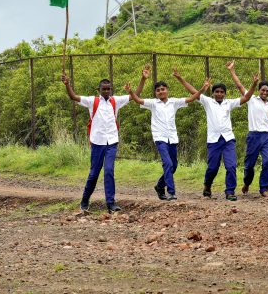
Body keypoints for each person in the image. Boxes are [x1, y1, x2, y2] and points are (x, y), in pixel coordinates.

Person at [61, 71, 144, 213]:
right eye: (103, 89)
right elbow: (73, 96)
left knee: (109, 171)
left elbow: (134, 96)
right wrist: (67, 84)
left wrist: (143, 78)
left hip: (112, 142)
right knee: (94, 173)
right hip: (97, 142)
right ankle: (85, 199)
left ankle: (111, 203)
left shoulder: (115, 101)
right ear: (99, 90)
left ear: (111, 90)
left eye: (108, 88)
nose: (106, 91)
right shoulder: (92, 101)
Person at [125, 66, 210, 201]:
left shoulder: (174, 102)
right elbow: (137, 99)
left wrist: (202, 89)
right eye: (158, 90)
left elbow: (192, 98)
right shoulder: (153, 103)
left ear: (167, 90)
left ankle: (159, 186)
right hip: (160, 138)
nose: (161, 91)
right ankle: (171, 192)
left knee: (174, 166)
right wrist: (137, 84)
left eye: (163, 89)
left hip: (172, 137)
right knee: (168, 164)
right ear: (155, 93)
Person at [175, 69, 258, 201]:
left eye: (221, 92)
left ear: (225, 94)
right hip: (213, 140)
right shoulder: (208, 102)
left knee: (231, 166)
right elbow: (193, 91)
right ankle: (207, 185)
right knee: (212, 167)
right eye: (217, 92)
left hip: (228, 139)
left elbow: (246, 97)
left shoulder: (229, 103)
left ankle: (230, 191)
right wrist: (180, 78)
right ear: (213, 93)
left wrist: (254, 84)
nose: (219, 94)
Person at [226, 61, 268, 197]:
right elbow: (239, 85)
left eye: (267, 90)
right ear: (259, 90)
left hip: (266, 136)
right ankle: (247, 183)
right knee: (249, 165)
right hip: (254, 136)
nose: (265, 92)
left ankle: (264, 188)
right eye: (263, 90)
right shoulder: (251, 99)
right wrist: (232, 70)